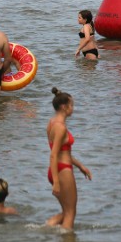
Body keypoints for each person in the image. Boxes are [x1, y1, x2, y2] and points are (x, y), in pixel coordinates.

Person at [46, 87, 92, 230]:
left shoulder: (52, 123)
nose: (73, 108)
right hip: (62, 171)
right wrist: (57, 182)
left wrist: (80, 166)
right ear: (64, 107)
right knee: (71, 212)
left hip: (57, 170)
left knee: (66, 212)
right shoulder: (60, 128)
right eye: (72, 105)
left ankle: (46, 229)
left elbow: (63, 152)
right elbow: (53, 154)